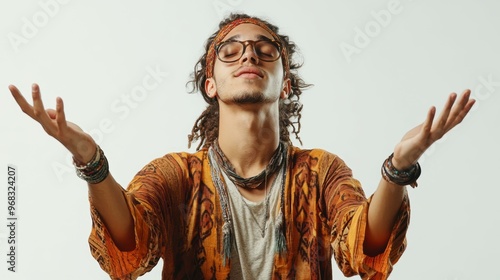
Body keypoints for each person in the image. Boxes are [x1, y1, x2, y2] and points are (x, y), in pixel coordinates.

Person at [8, 13, 475, 280]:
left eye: (264, 49)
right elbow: (130, 249)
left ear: (285, 84)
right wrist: (91, 162)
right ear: (210, 83)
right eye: (229, 51)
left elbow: (365, 249)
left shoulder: (319, 172)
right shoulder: (176, 174)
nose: (248, 54)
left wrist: (397, 168)